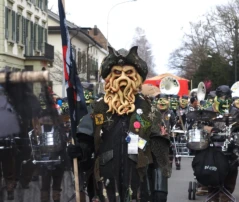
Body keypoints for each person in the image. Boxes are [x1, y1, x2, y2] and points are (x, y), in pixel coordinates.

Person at [68, 46, 171, 202]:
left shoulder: (149, 111)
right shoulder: (98, 109)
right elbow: (86, 141)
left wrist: (160, 190)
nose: (123, 77)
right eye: (117, 73)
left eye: (129, 73)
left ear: (137, 77)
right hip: (105, 186)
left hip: (140, 187)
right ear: (109, 77)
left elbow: (160, 155)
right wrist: (79, 151)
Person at [201, 85, 239, 202]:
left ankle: (226, 195)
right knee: (212, 172)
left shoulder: (235, 111)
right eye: (222, 97)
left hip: (231, 146)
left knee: (232, 170)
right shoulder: (208, 110)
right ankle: (213, 194)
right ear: (217, 97)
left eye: (228, 97)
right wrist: (208, 129)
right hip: (212, 146)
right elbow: (197, 125)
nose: (225, 100)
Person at [156, 94, 177, 169]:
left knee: (169, 150)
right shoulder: (155, 112)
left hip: (167, 135)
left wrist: (172, 131)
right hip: (156, 134)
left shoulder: (170, 112)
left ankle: (169, 165)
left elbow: (174, 123)